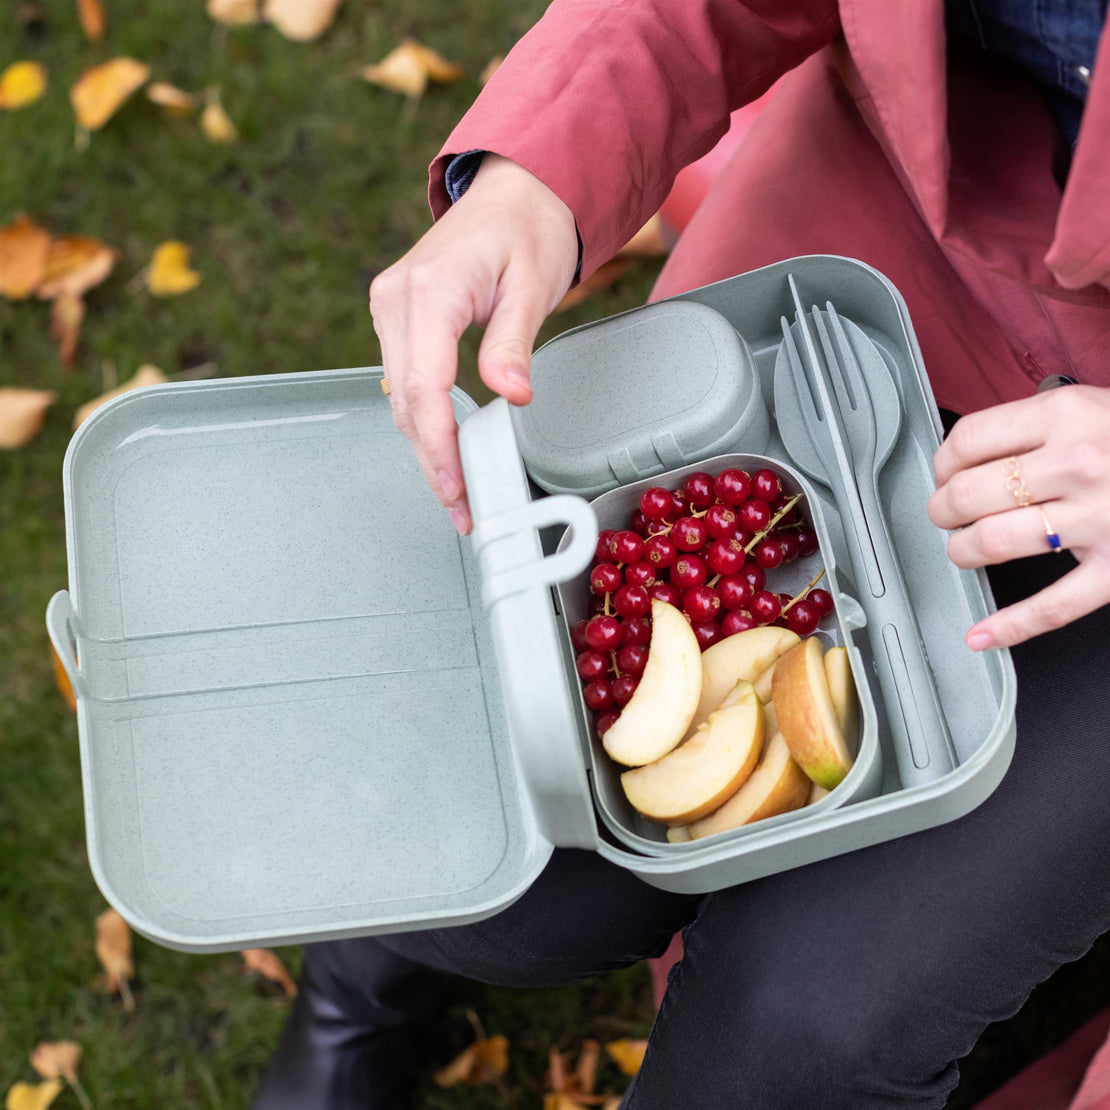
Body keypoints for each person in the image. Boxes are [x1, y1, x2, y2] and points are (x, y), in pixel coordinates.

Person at [254, 2, 1110, 1107]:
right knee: (483, 776)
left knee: (801, 1027)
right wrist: (531, 177)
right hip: (873, 237)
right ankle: (363, 982)